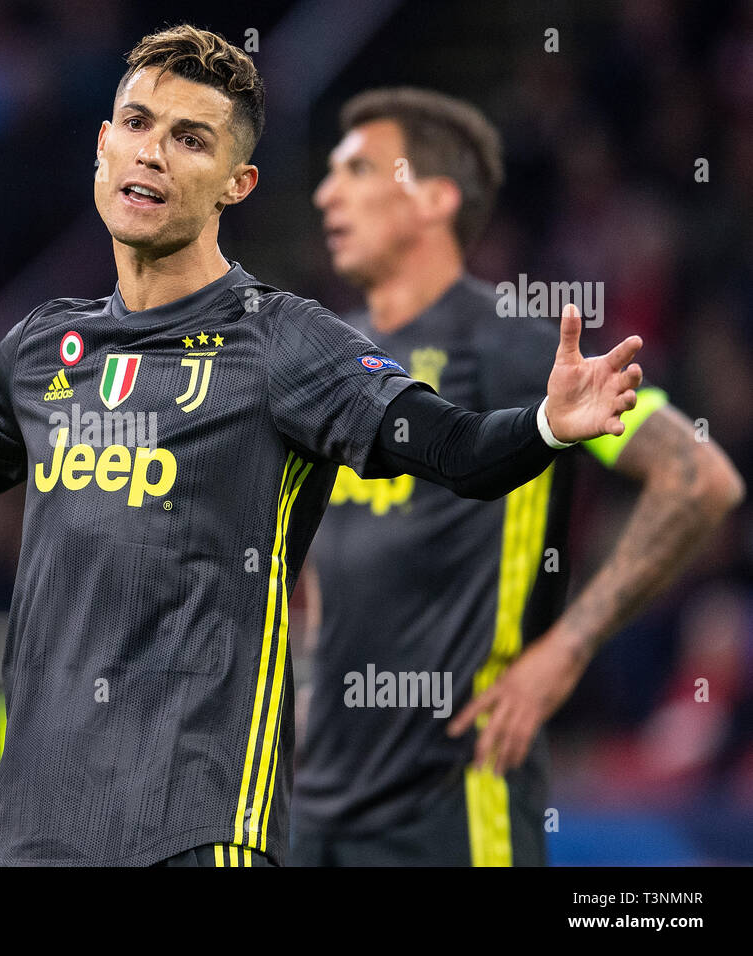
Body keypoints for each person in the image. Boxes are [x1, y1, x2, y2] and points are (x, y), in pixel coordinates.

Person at [0, 26, 646, 867]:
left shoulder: (283, 341)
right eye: (137, 122)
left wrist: (548, 422)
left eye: (191, 138)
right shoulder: (46, 346)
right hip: (34, 837)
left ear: (236, 184)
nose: (152, 151)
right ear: (102, 145)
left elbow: (453, 448)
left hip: (197, 830)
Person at [290, 87, 745, 866]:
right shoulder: (330, 353)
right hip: (313, 804)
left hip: (458, 798)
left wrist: (568, 647)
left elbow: (698, 475)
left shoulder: (513, 346)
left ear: (434, 200)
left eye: (359, 170)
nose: (328, 192)